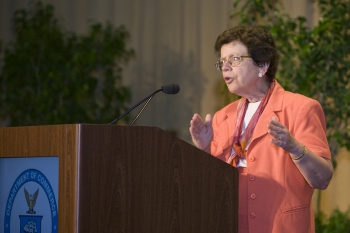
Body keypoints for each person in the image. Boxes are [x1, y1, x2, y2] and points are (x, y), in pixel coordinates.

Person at [189, 25, 333, 233]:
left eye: (234, 59)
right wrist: (204, 150)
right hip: (231, 224)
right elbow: (213, 183)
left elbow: (323, 178)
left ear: (262, 66)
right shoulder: (223, 116)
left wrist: (294, 148)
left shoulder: (301, 108)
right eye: (222, 62)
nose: (226, 67)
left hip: (281, 227)